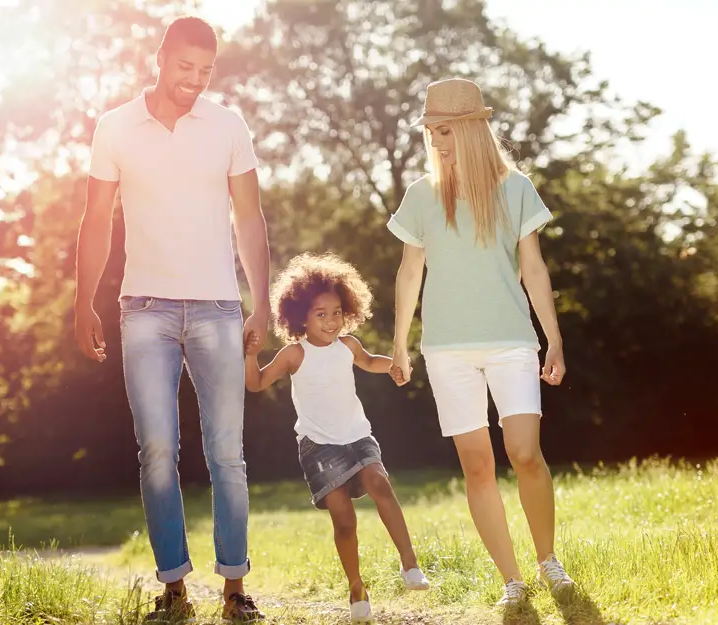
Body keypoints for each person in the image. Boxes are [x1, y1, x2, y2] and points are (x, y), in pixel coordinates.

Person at [73, 16, 269, 623]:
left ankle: (235, 590)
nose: (195, 81)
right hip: (144, 310)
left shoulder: (229, 125)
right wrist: (83, 300)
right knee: (157, 450)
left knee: (227, 453)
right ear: (161, 59)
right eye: (186, 67)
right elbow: (97, 219)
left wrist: (260, 298)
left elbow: (251, 217)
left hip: (217, 307)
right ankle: (174, 587)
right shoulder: (114, 127)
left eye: (206, 71)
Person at [386, 78, 574, 607]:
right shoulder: (422, 195)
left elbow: (533, 269)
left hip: (512, 340)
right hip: (446, 349)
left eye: (444, 130)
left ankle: (547, 562)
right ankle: (512, 581)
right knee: (476, 465)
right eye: (430, 131)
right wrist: (400, 344)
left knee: (525, 453)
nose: (436, 141)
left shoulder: (516, 188)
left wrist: (553, 340)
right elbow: (408, 273)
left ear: (471, 129)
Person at [244, 253, 430, 624]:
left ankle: (410, 563)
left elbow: (369, 361)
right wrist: (250, 355)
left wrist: (394, 364)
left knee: (380, 483)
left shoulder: (348, 345)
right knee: (344, 520)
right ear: (300, 317)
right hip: (318, 446)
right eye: (320, 314)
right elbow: (256, 383)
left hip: (357, 435)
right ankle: (356, 586)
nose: (331, 321)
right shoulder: (294, 354)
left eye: (336, 312)